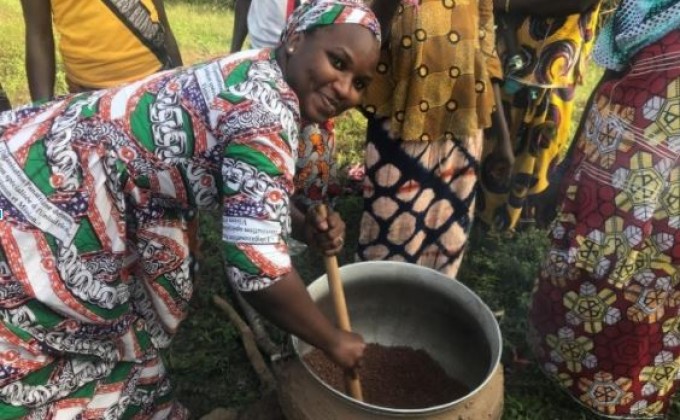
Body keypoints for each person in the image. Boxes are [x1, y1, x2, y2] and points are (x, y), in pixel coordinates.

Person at [0, 0, 381, 417]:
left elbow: (244, 177)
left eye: (359, 83)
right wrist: (333, 341)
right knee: (36, 344)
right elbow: (257, 268)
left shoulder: (262, 69)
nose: (345, 89)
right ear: (294, 39)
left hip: (61, 163)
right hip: (46, 198)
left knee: (113, 334)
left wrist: (303, 224)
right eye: (337, 62)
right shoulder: (264, 113)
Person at [528, 0, 680, 417]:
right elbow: (610, 76)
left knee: (651, 284)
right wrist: (566, 168)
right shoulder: (649, 8)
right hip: (608, 163)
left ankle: (627, 395)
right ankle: (554, 362)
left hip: (669, 204)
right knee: (583, 262)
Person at [357, 0, 513, 277]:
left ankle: (432, 300)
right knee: (391, 232)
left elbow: (486, 51)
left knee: (446, 236)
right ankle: (377, 299)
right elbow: (364, 39)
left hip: (462, 134)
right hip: (398, 128)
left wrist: (502, 138)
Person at [477, 0, 602, 233]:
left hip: (552, 62)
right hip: (515, 52)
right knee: (498, 132)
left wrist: (506, 6)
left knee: (535, 146)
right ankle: (485, 214)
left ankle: (515, 219)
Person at [21, 0, 183, 102]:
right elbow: (38, 35)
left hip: (157, 76)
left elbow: (163, 21)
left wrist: (181, 81)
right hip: (90, 94)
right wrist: (41, 113)